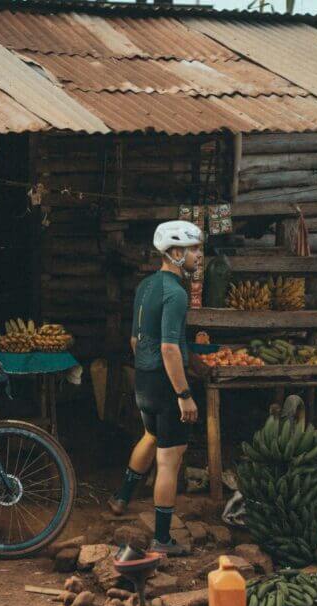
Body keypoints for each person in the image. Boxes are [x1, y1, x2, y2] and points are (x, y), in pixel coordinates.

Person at [108, 220, 203, 556]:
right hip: (166, 384)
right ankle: (163, 540)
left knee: (149, 436)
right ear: (175, 253)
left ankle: (121, 498)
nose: (198, 255)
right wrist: (184, 394)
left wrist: (149, 373)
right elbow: (169, 348)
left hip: (144, 379)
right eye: (193, 249)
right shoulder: (176, 293)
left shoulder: (146, 285)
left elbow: (136, 340)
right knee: (169, 459)